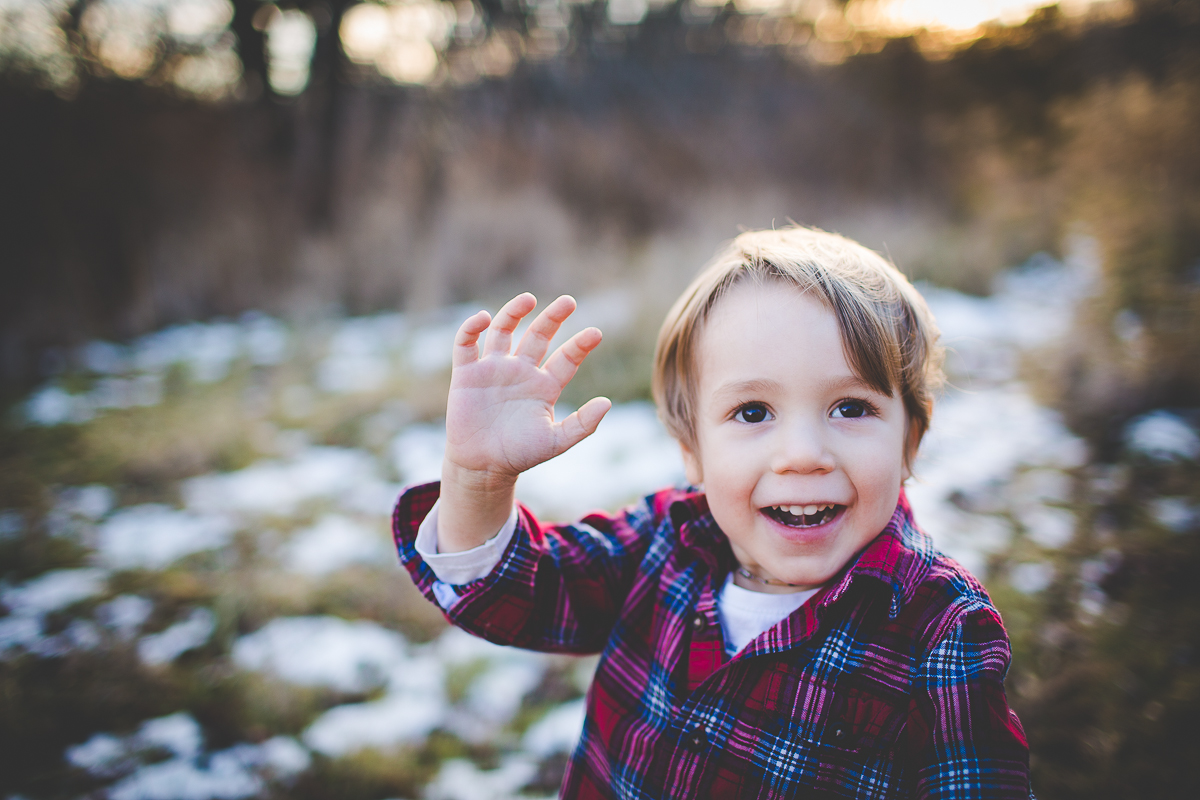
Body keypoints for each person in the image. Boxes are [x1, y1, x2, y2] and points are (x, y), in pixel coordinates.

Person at [392, 227, 1033, 799]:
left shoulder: (939, 630)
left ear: (910, 442)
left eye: (851, 408)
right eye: (753, 412)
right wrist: (477, 479)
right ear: (692, 452)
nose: (802, 455)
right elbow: (516, 595)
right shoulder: (664, 541)